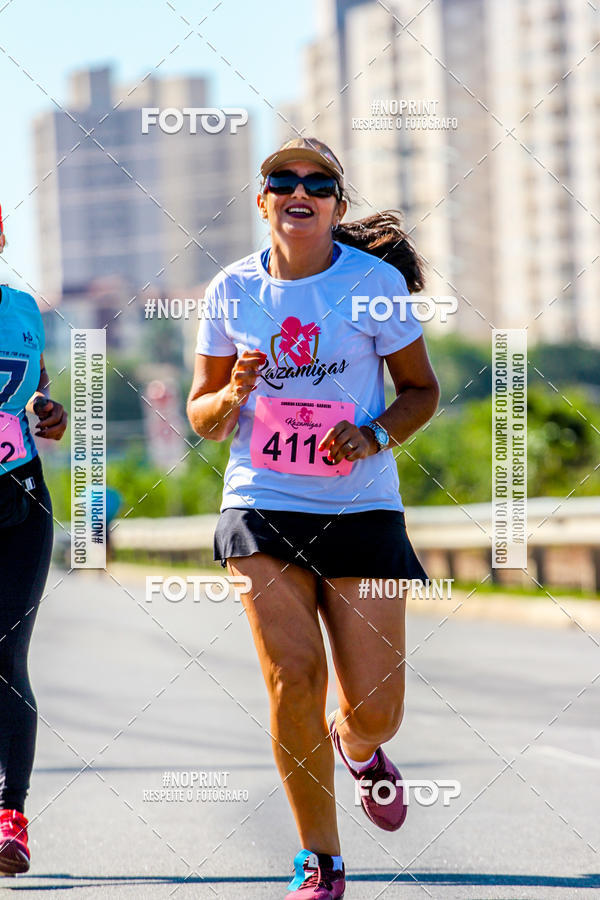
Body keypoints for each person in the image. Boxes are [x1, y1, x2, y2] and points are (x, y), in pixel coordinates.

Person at [187, 138, 440, 899]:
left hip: (359, 502)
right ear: (261, 199)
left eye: (319, 182)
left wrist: (371, 435)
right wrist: (231, 397)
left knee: (377, 711)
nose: (301, 189)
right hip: (262, 502)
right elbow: (201, 415)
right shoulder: (230, 291)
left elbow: (421, 390)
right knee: (293, 679)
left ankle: (359, 750)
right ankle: (320, 861)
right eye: (283, 179)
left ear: (335, 202)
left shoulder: (373, 284)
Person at [0, 205, 68, 875]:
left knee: (5, 653)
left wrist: (50, 413)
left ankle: (10, 818)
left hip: (18, 499)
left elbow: (36, 398)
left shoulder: (21, 306)